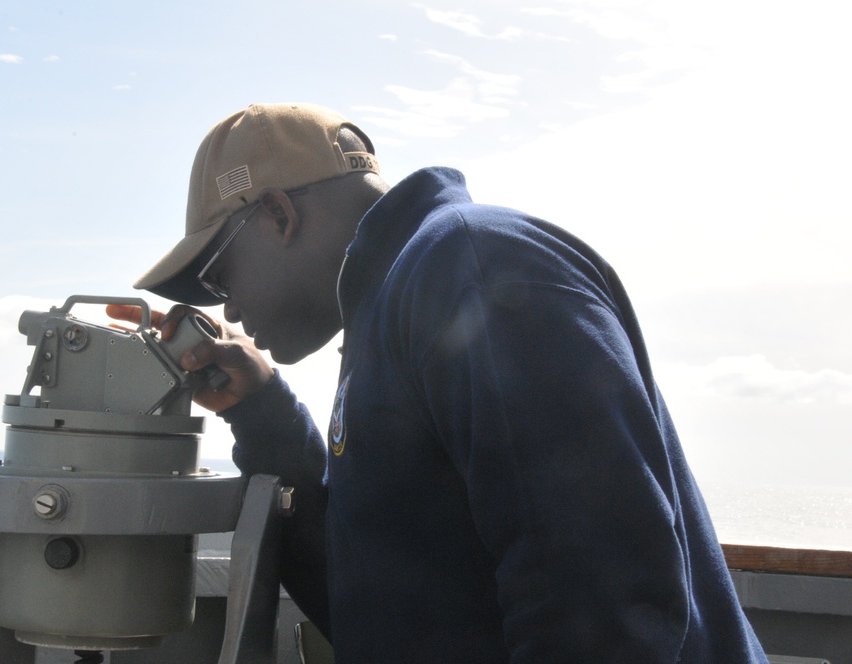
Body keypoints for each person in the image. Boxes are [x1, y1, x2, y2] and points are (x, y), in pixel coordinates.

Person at [111, 102, 768, 663]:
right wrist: (260, 412)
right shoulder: (399, 309)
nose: (227, 310)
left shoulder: (473, 270)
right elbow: (385, 597)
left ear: (279, 215)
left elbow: (599, 596)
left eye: (221, 277)